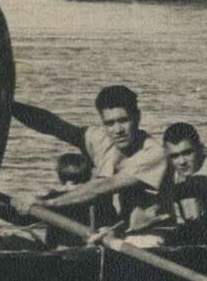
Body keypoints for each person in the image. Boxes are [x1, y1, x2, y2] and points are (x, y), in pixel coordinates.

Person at [10, 84, 168, 230]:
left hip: (150, 236)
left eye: (124, 120)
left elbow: (102, 187)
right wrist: (9, 106)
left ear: (138, 117)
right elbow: (55, 126)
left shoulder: (154, 154)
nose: (118, 130)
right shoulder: (101, 139)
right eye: (110, 123)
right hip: (113, 230)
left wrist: (49, 203)